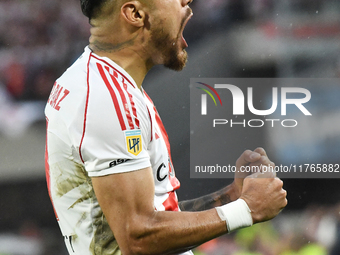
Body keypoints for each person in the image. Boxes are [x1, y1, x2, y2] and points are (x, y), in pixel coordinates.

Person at [44, 0, 287, 254]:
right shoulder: (104, 98)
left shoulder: (105, 85)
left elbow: (158, 215)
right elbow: (138, 236)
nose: (187, 2)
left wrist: (232, 196)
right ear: (135, 14)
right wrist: (246, 210)